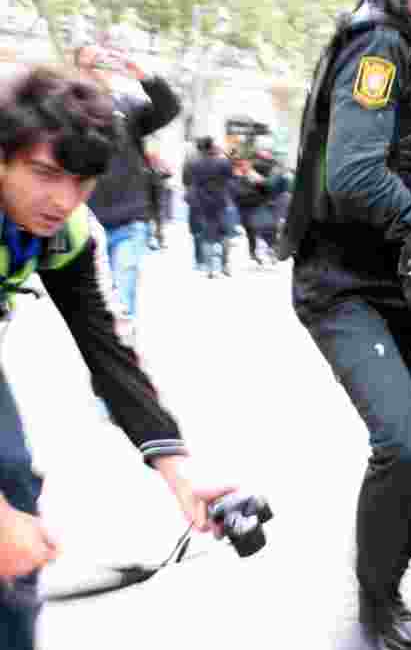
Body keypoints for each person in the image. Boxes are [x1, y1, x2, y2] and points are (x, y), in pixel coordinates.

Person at [277, 0, 411, 646]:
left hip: (403, 286)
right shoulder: (379, 48)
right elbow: (354, 172)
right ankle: (376, 604)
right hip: (342, 285)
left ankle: (387, 579)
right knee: (405, 441)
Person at [0, 66, 235, 650]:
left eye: (82, 182)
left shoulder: (68, 230)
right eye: (46, 173)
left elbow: (111, 353)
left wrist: (180, 472)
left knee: (13, 487)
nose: (63, 200)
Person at [74, 43, 181, 326]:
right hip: (84, 223)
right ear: (80, 70)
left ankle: (123, 354)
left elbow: (169, 109)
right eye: (95, 63)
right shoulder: (67, 111)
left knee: (122, 296)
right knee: (93, 305)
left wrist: (143, 76)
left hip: (129, 220)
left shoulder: (128, 108)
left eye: (107, 62)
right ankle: (106, 357)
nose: (104, 69)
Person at [182, 137, 233, 278]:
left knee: (206, 235)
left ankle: (209, 268)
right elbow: (230, 178)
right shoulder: (223, 161)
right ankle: (225, 265)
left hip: (201, 203)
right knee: (224, 233)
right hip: (221, 201)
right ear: (212, 146)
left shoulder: (192, 162)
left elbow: (186, 181)